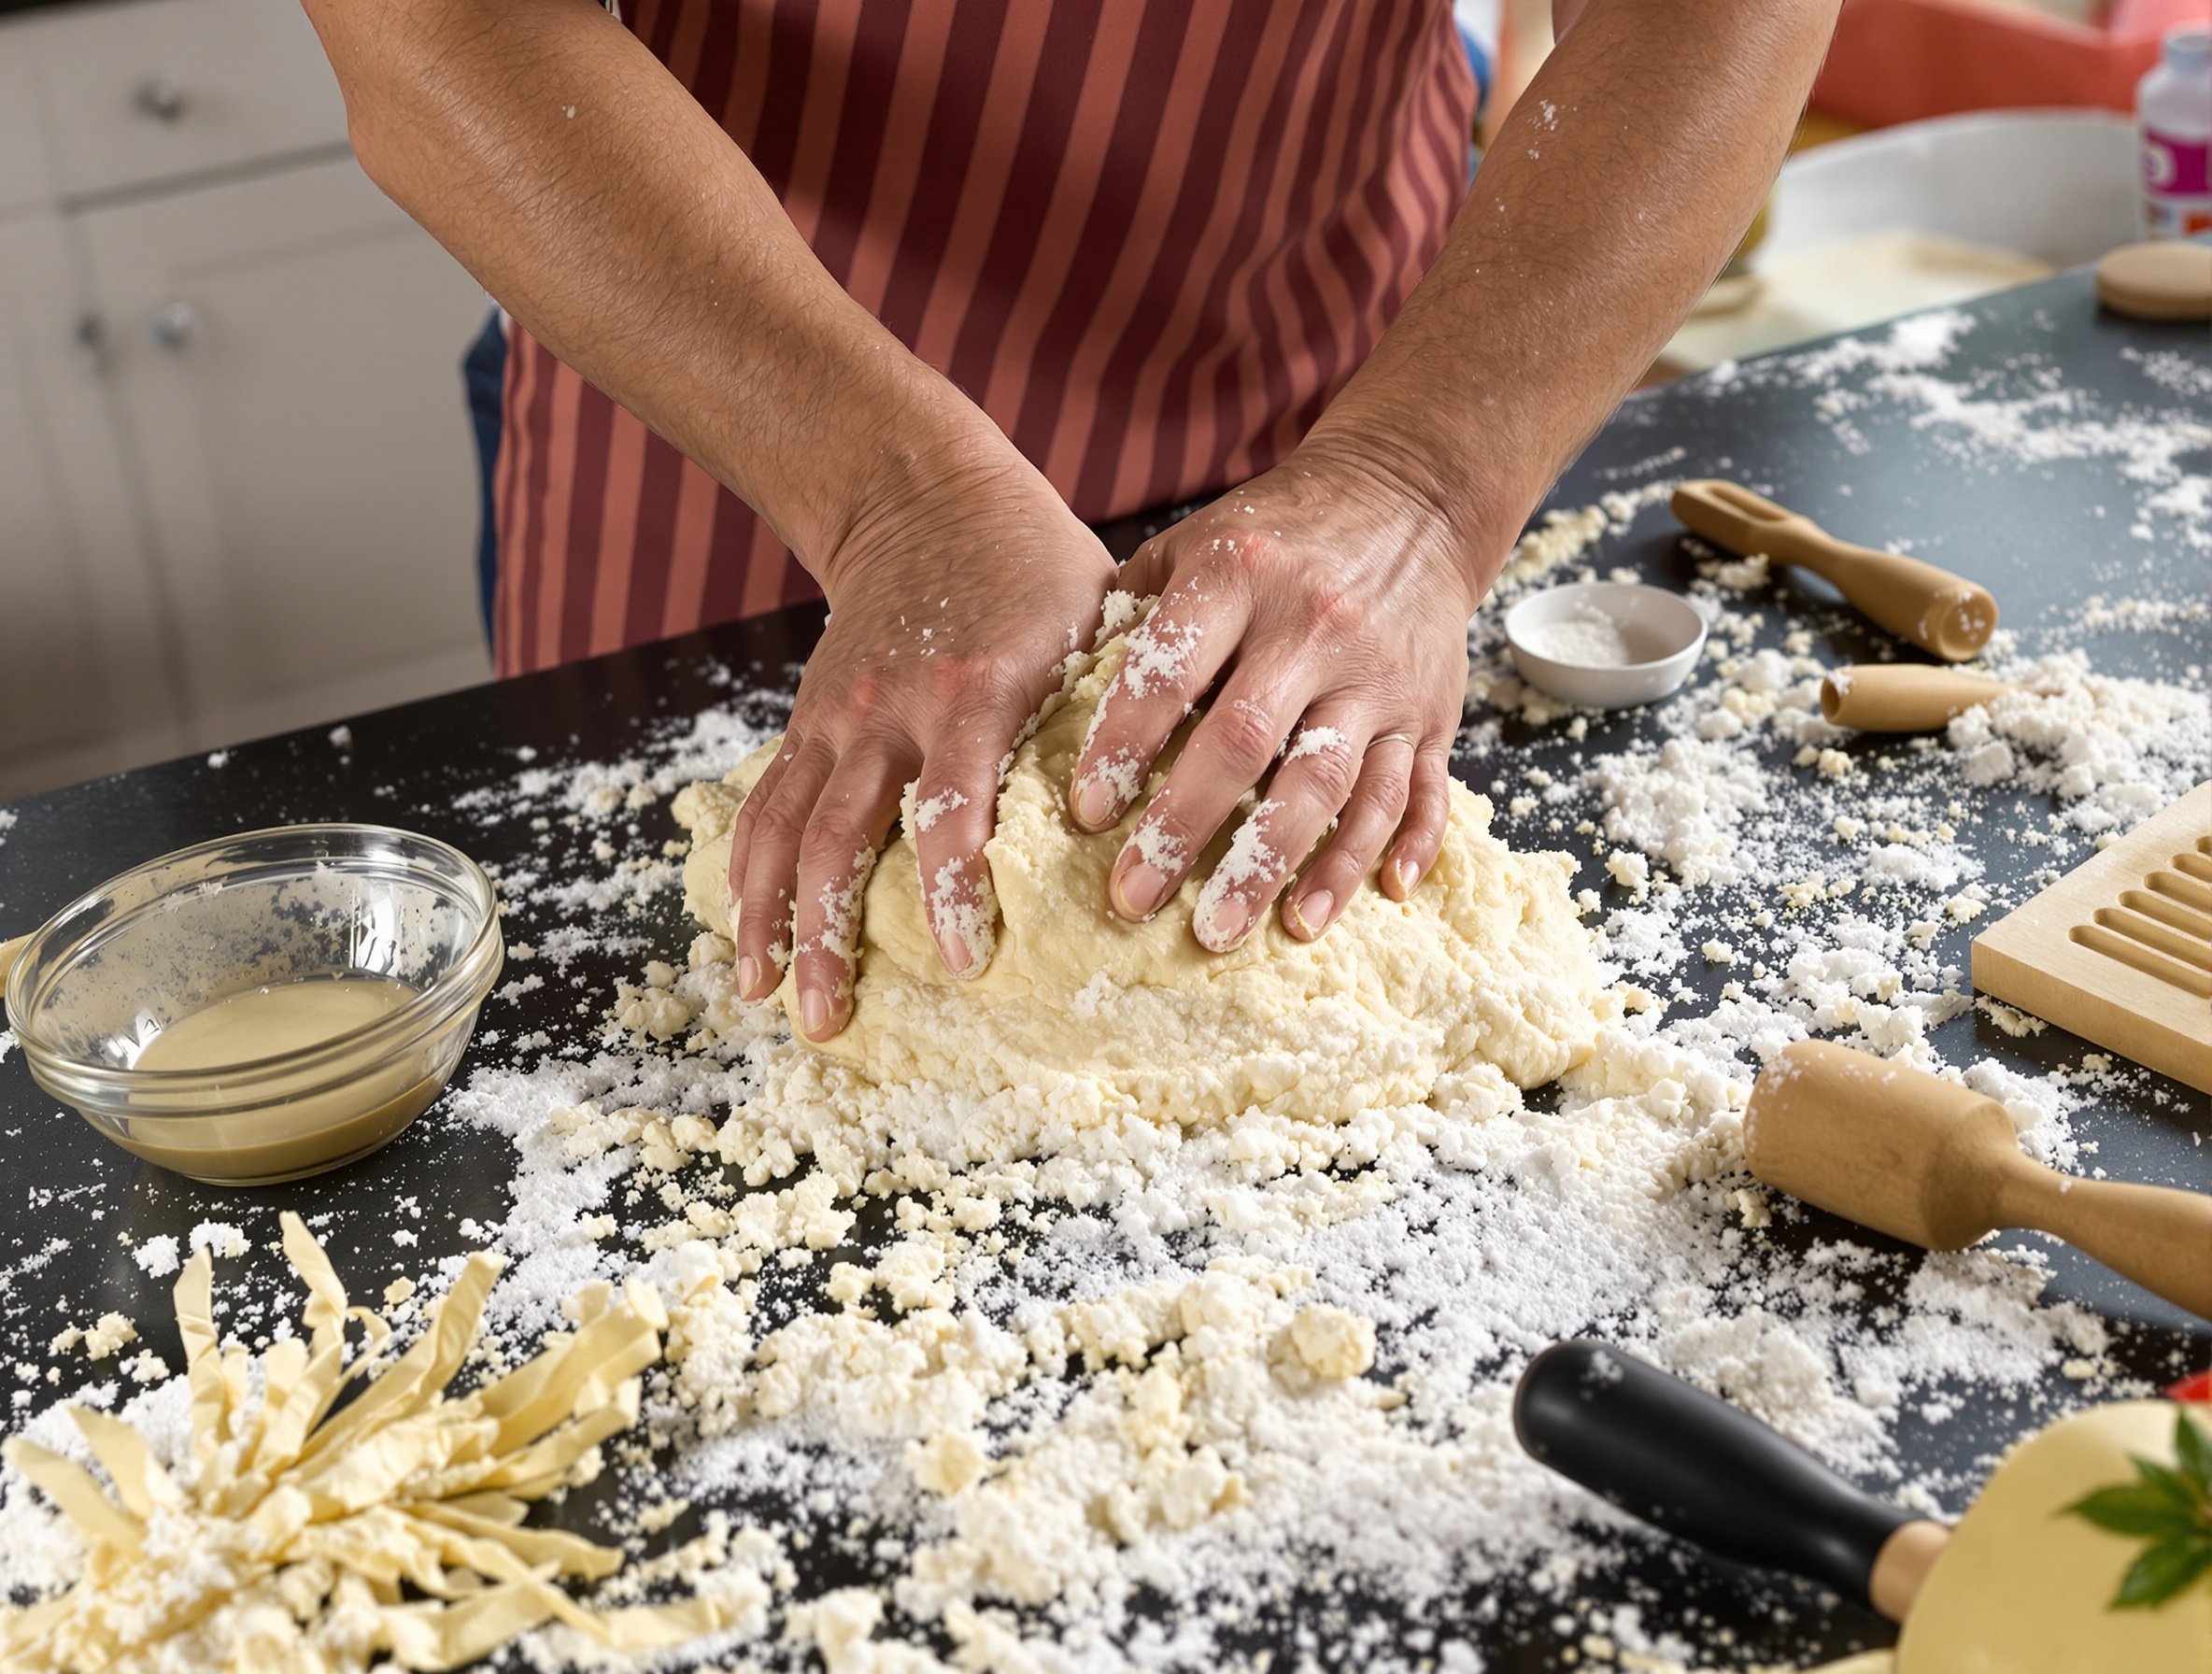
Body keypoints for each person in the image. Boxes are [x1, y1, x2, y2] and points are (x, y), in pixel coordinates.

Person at [303, 0, 1839, 1043]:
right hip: (729, 410)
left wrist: (1422, 484)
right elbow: (438, 25)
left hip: (1334, 363)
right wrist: (900, 492)